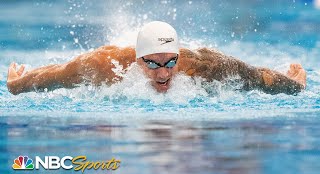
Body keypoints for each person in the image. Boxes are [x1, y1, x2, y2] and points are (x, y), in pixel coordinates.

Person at [6, 21, 306, 95]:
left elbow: (257, 77)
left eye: (170, 62)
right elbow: (56, 75)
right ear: (137, 60)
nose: (163, 74)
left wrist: (294, 86)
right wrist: (17, 85)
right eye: (151, 63)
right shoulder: (104, 66)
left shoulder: (204, 66)